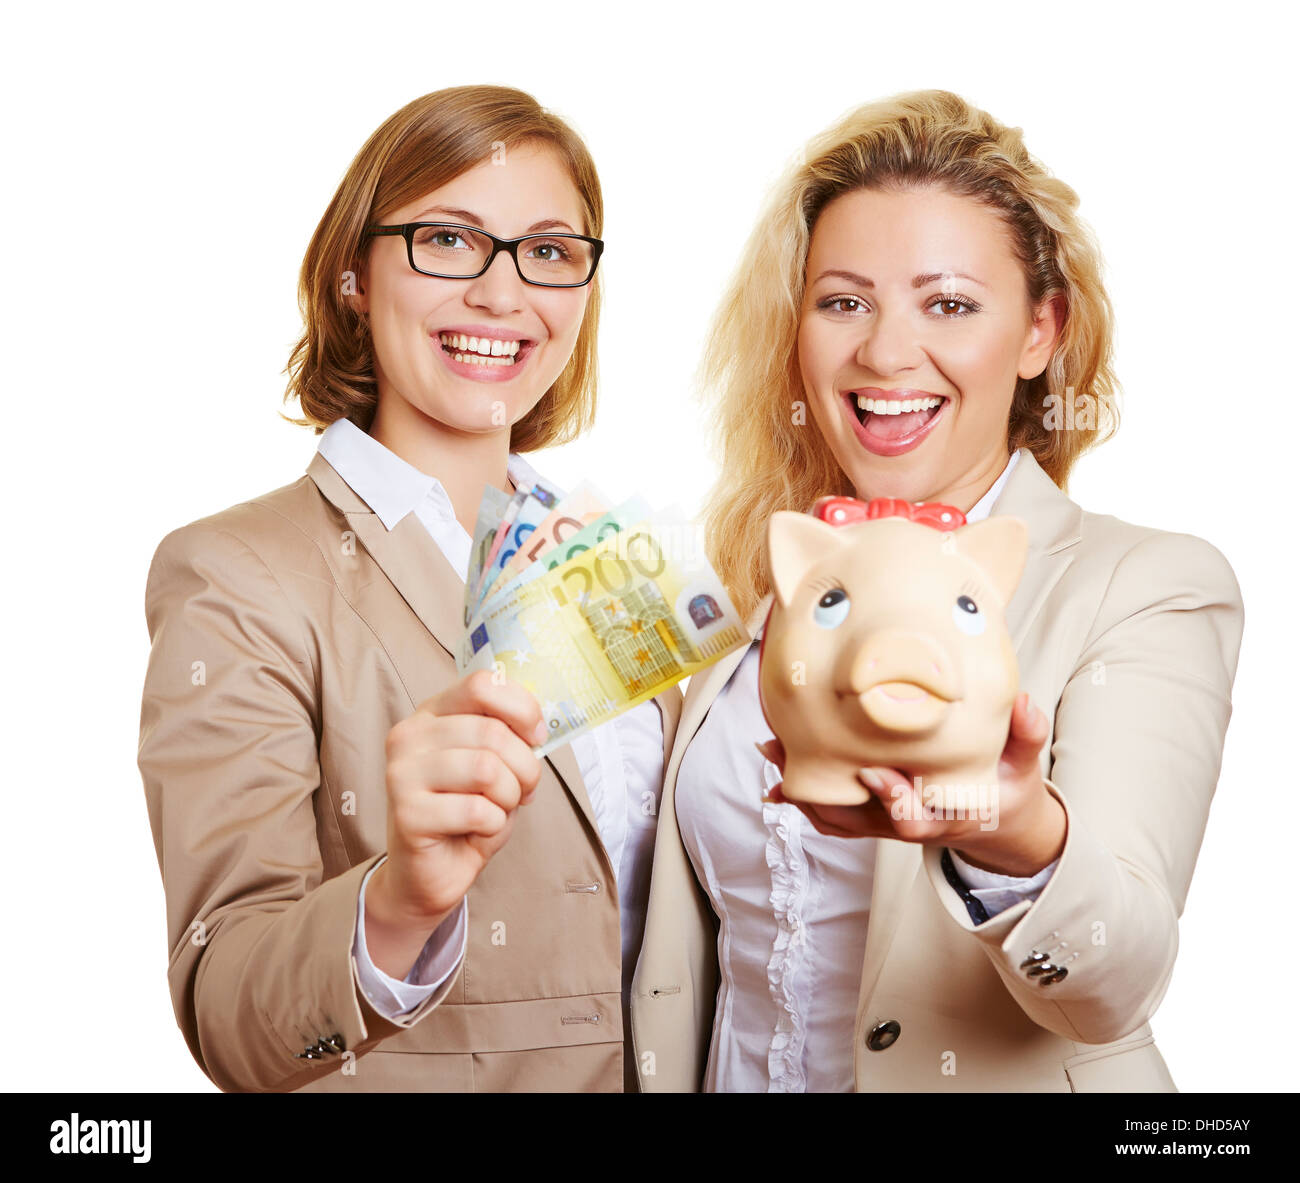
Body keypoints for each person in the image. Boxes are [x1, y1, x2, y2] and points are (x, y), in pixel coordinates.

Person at [629, 89, 1244, 1092]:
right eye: (843, 301)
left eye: (947, 302)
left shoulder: (1146, 586)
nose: (883, 351)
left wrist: (1010, 832)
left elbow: (1117, 977)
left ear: (1041, 330)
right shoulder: (750, 580)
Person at [137, 84, 677, 1093]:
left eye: (549, 251)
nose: (502, 293)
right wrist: (400, 899)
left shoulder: (612, 549)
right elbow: (231, 1016)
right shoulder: (238, 573)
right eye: (448, 240)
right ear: (353, 273)